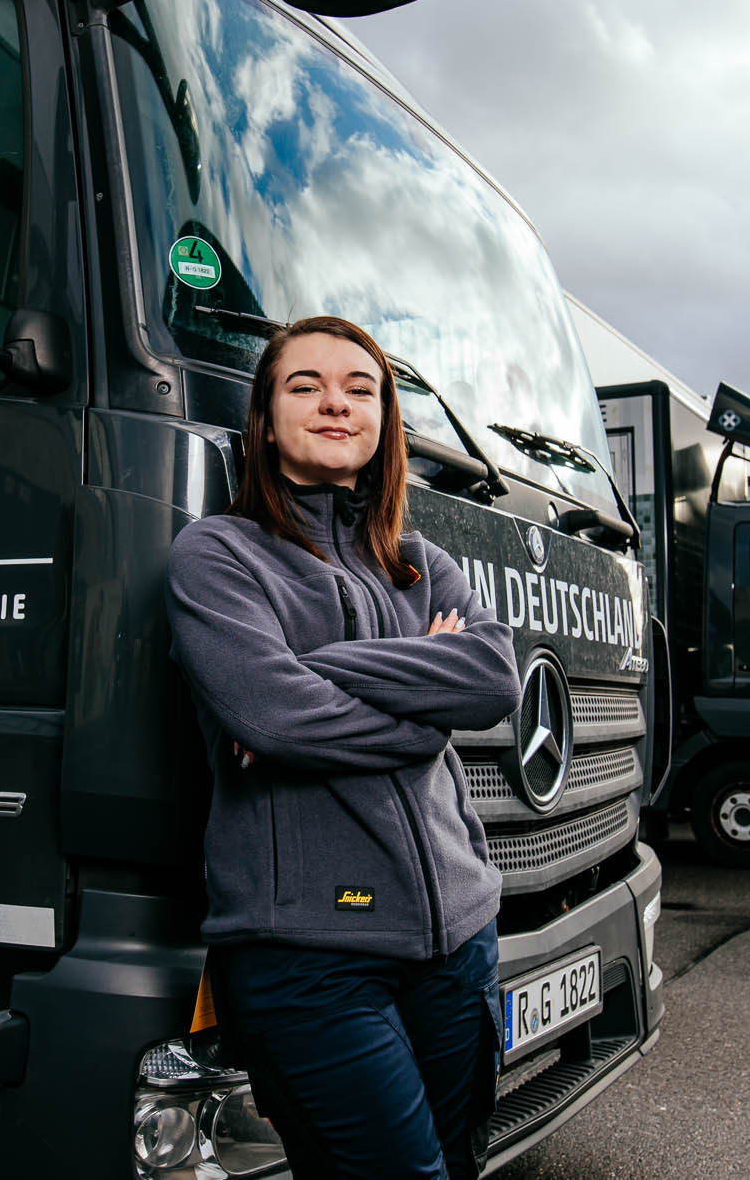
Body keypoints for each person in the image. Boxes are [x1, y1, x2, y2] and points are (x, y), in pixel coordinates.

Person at [165, 315, 523, 1179]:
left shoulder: (420, 562)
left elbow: (490, 682)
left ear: (383, 421)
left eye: (360, 389)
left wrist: (324, 666)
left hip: (457, 943)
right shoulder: (219, 555)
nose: (336, 402)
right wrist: (423, 696)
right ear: (265, 419)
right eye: (306, 385)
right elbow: (277, 719)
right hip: (309, 960)